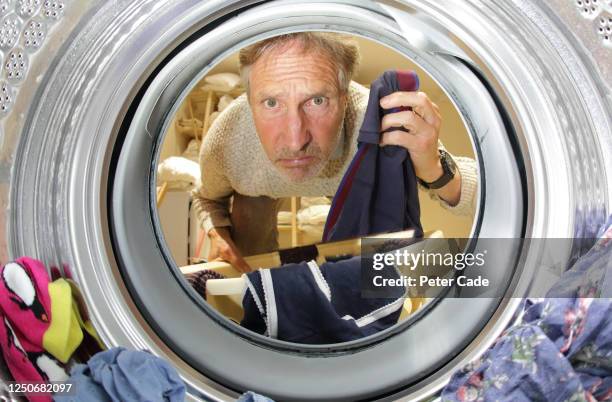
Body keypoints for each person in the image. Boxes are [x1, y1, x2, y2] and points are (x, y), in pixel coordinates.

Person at [191, 32, 478, 272]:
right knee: (247, 243)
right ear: (250, 100)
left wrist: (434, 169)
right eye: (270, 103)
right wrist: (219, 234)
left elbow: (488, 196)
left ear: (345, 98)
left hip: (353, 181)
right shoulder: (226, 140)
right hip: (257, 191)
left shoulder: (376, 119)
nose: (295, 141)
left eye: (317, 100)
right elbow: (206, 199)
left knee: (372, 248)